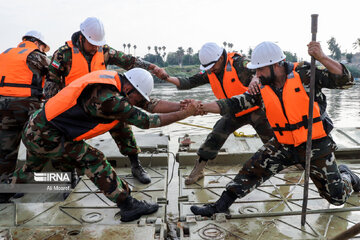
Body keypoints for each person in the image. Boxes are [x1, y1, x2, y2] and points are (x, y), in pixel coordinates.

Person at [0, 68, 198, 222]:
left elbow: (150, 104)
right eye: (138, 97)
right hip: (47, 136)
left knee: (31, 169)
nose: (140, 102)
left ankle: (4, 191)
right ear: (130, 89)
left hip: (35, 128)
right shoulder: (109, 100)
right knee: (93, 159)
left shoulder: (113, 81)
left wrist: (181, 106)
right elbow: (149, 121)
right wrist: (184, 114)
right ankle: (128, 205)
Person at [190, 41, 360, 217]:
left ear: (275, 65)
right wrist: (202, 107)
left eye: (260, 70)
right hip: (283, 143)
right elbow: (237, 103)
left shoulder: (304, 74)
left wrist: (322, 57)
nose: (256, 75)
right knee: (251, 169)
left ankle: (348, 176)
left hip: (314, 143)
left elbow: (345, 81)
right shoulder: (262, 85)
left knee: (337, 198)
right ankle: (220, 205)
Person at [45, 17, 168, 184]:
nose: (95, 47)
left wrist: (153, 68)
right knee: (68, 139)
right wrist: (51, 107)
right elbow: (51, 82)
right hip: (74, 106)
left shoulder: (104, 50)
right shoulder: (63, 54)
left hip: (102, 102)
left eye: (98, 43)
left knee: (122, 124)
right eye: (92, 43)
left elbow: (129, 61)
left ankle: (135, 164)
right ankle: (70, 175)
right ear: (82, 37)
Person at [163, 42, 273, 185]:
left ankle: (291, 163)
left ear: (221, 58)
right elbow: (190, 81)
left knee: (274, 140)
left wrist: (255, 79)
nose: (211, 70)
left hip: (255, 109)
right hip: (232, 110)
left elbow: (258, 69)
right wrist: (167, 78)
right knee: (215, 135)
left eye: (212, 66)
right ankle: (199, 169)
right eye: (208, 68)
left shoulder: (239, 63)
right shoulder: (211, 71)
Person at [0, 30, 50, 179]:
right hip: (26, 105)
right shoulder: (36, 55)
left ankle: (3, 190)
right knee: (33, 143)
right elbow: (55, 73)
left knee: (5, 150)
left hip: (2, 106)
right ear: (36, 43)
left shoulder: (5, 54)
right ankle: (24, 182)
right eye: (43, 47)